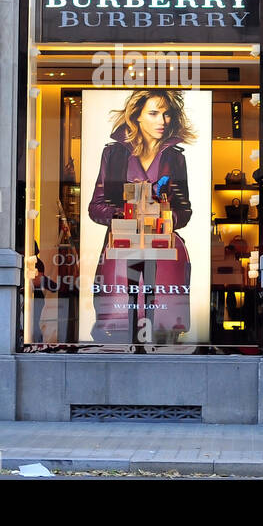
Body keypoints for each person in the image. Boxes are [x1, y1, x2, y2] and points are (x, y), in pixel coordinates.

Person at [87, 89, 195, 343]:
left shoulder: (175, 158)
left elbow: (185, 210)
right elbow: (96, 206)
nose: (162, 121)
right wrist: (124, 214)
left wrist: (166, 217)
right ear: (136, 116)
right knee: (120, 323)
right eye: (154, 113)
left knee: (163, 328)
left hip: (162, 249)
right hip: (123, 247)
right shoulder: (113, 155)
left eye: (166, 114)